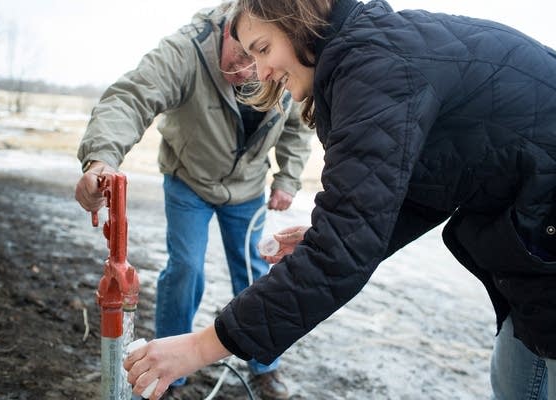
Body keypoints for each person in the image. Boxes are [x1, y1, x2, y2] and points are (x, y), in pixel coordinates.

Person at [123, 0, 556, 399]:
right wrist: (328, 234)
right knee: (518, 375)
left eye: (262, 47)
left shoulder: (375, 67)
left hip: (544, 230)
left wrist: (201, 347)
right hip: (535, 243)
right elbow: (418, 188)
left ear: (298, 20)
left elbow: (341, 253)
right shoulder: (372, 53)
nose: (261, 71)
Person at [74, 2, 314, 399]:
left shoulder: (277, 54)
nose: (250, 72)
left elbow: (296, 123)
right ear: (227, 30)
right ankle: (169, 372)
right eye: (241, 55)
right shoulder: (187, 49)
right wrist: (101, 158)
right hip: (189, 181)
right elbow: (132, 96)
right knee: (185, 268)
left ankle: (265, 366)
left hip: (247, 188)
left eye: (261, 57)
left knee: (255, 270)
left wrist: (287, 177)